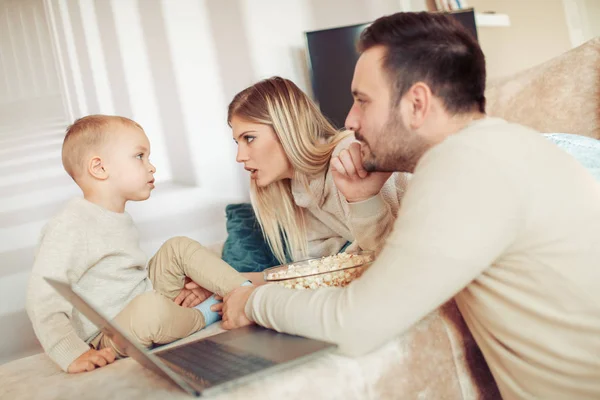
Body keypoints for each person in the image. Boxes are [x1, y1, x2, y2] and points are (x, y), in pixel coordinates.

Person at [216, 12, 600, 399]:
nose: (349, 121)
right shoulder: (495, 149)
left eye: (362, 101)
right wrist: (364, 200)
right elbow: (403, 277)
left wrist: (254, 301)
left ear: (416, 103)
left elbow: (356, 324)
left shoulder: (467, 167)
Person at [26, 115, 251, 374]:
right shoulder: (70, 225)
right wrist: (72, 352)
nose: (151, 167)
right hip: (108, 333)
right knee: (150, 310)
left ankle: (242, 291)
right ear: (99, 168)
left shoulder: (116, 216)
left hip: (141, 298)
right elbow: (41, 295)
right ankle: (209, 312)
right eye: (139, 156)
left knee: (177, 246)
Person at [227, 76, 409, 263]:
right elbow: (315, 265)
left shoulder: (348, 157)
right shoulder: (299, 190)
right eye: (237, 142)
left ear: (286, 129)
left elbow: (394, 258)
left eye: (249, 138)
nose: (240, 156)